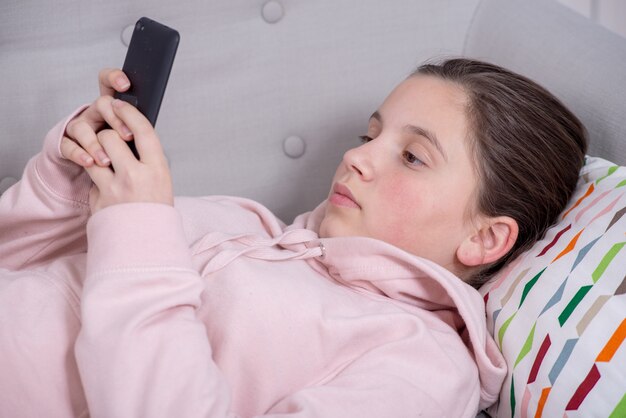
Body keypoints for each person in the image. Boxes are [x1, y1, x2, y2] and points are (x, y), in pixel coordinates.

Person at [0, 58, 586, 417]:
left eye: (411, 156)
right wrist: (71, 179)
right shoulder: (247, 222)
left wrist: (136, 236)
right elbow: (16, 257)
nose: (357, 156)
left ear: (485, 239)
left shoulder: (420, 367)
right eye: (369, 135)